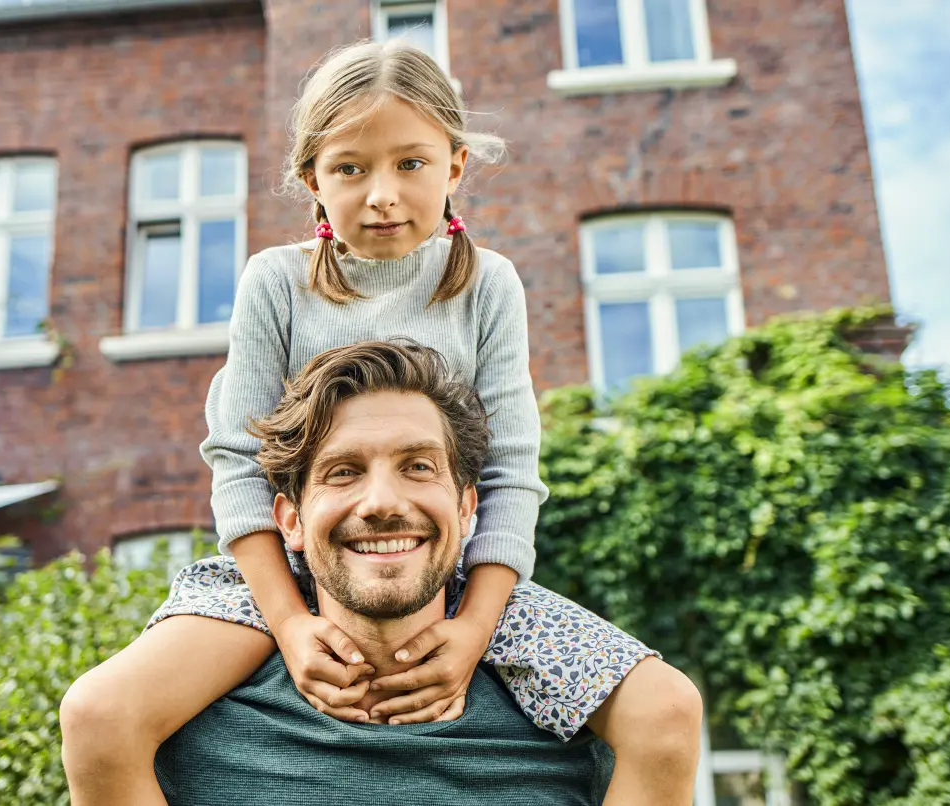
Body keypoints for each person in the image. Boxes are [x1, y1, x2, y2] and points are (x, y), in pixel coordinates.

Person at [60, 40, 703, 806]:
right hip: (272, 571)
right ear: (313, 179)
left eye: (411, 164)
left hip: (453, 572)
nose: (382, 196)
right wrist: (290, 624)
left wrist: (473, 629)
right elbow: (235, 460)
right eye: (351, 169)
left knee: (666, 710)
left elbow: (511, 473)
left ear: (455, 166)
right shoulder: (276, 282)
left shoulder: (488, 285)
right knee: (99, 714)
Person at [153, 340, 617, 805]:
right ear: (290, 520)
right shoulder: (173, 739)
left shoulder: (585, 741)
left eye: (418, 466)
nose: (382, 503)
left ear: (466, 509)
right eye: (343, 471)